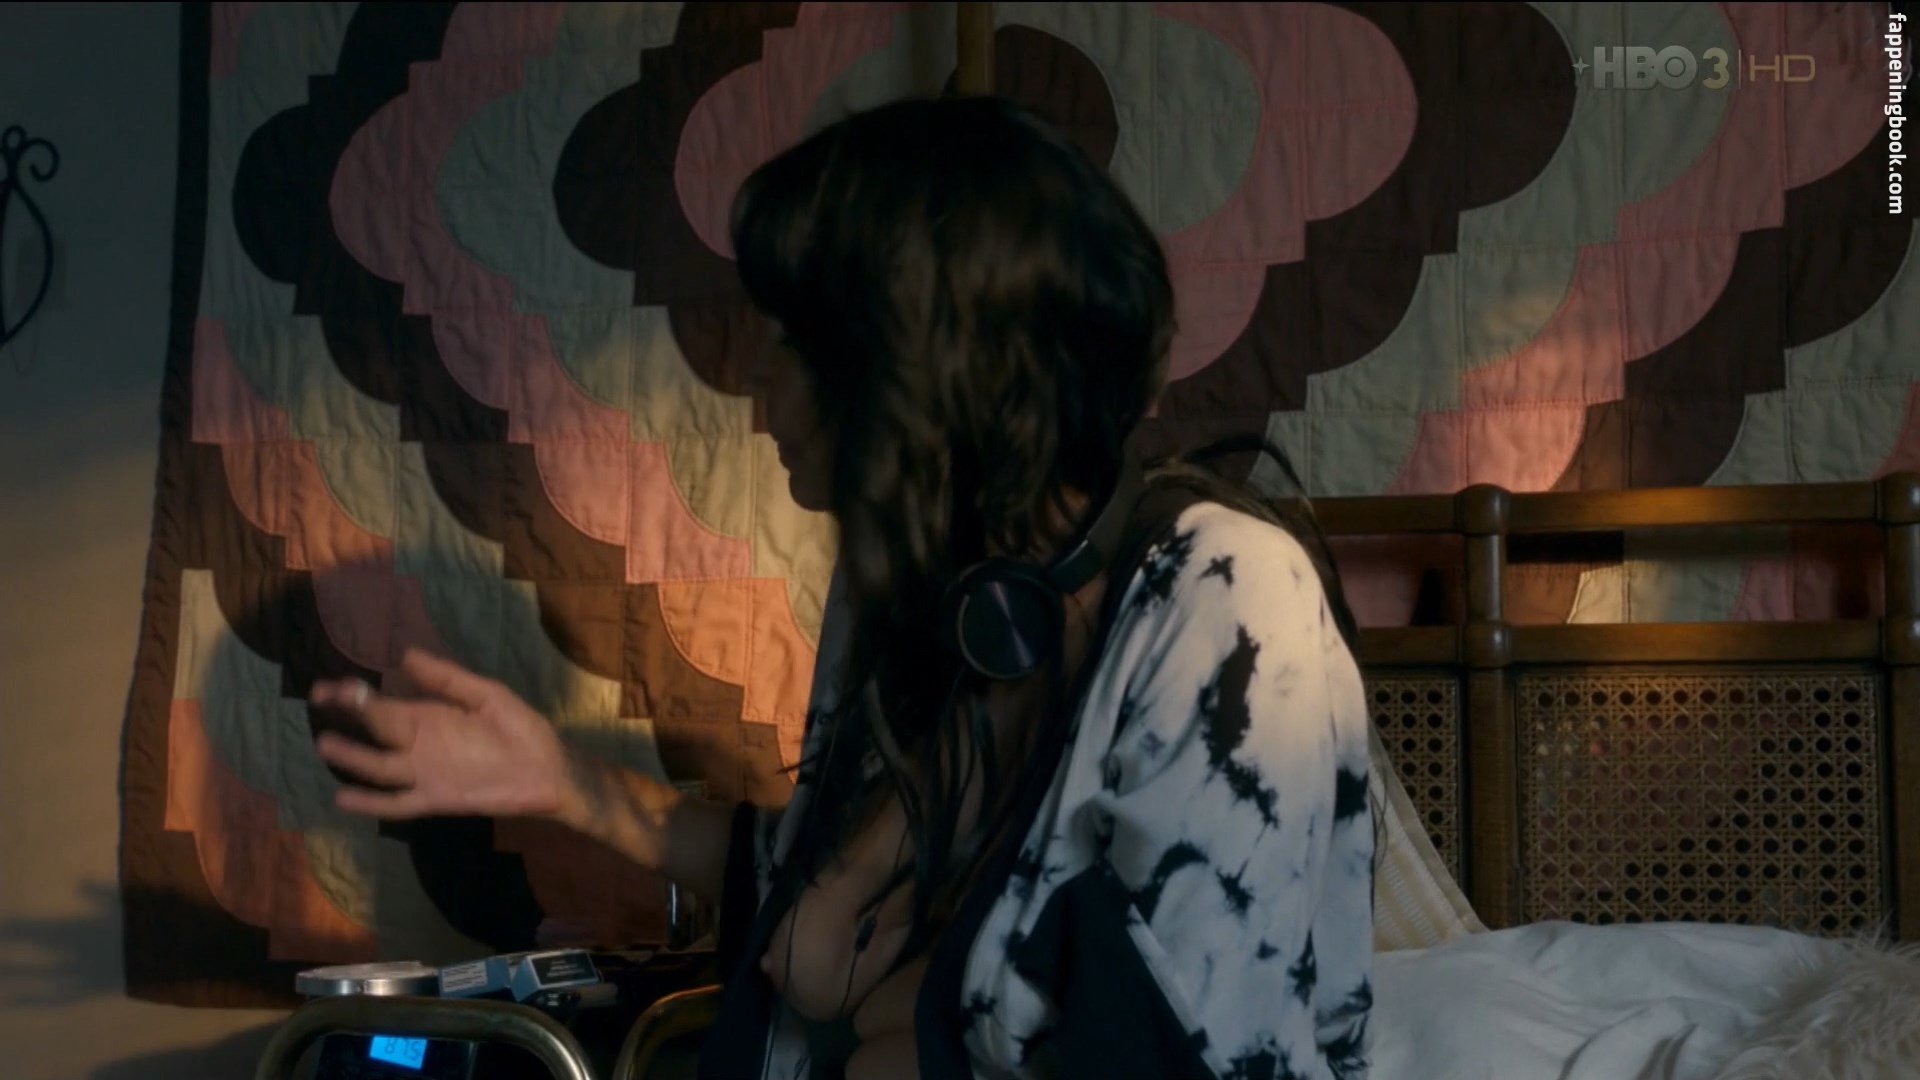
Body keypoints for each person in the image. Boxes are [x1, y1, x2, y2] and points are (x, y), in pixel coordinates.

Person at [310, 96, 1375, 1080]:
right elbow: (799, 900)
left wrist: (922, 1015)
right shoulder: (910, 598)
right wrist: (556, 779)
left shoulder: (1227, 600)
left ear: (911, 369)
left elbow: (1179, 1040)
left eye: (789, 345)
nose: (757, 382)